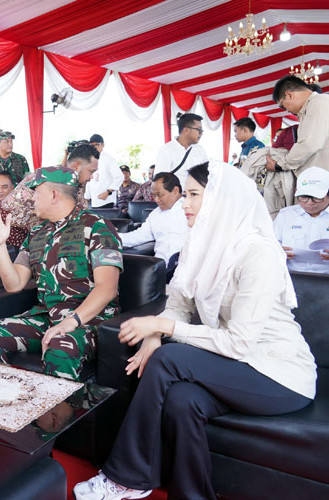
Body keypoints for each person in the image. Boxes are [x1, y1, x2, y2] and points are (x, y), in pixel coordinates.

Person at [73, 162, 316, 500]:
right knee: (182, 399)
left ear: (220, 200)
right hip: (240, 365)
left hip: (279, 374)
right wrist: (156, 334)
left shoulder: (257, 253)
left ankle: (126, 477)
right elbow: (180, 304)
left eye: (193, 195)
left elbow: (238, 342)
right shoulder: (199, 243)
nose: (184, 203)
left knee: (168, 360)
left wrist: (162, 327)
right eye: (184, 195)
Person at [0, 165, 123, 381]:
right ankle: (3, 399)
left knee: (60, 345)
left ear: (53, 194)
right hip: (47, 317)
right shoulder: (37, 233)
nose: (32, 200)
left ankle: (57, 414)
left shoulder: (97, 227)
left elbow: (107, 288)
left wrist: (70, 322)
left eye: (36, 193)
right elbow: (14, 285)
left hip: (88, 322)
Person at [0, 142, 97, 233]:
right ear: (76, 167)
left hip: (36, 231)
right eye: (91, 171)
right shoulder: (51, 180)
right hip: (14, 232)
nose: (92, 177)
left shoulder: (74, 183)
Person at [121, 173, 188, 280]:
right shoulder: (155, 214)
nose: (156, 200)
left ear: (175, 191)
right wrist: (113, 236)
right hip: (161, 271)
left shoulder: (190, 209)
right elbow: (138, 236)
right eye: (154, 195)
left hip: (186, 270)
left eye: (159, 194)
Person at [266, 76, 329, 177]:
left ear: (289, 95)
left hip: (322, 182)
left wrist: (279, 165)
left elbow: (308, 144)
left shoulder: (318, 102)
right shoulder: (312, 106)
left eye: (282, 105)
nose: (286, 110)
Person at [274, 166, 329, 273]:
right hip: (292, 278)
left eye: (316, 197)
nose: (309, 202)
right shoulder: (286, 216)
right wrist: (278, 252)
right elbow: (269, 246)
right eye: (304, 197)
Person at [155, 113, 209, 185]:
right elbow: (159, 181)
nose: (201, 134)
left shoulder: (200, 150)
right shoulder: (166, 150)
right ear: (186, 130)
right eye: (199, 130)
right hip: (175, 195)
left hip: (196, 195)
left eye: (202, 131)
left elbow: (207, 174)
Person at [88, 134, 124, 208]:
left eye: (96, 145)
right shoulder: (90, 159)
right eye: (92, 145)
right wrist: (86, 197)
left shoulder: (108, 159)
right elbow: (90, 180)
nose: (94, 147)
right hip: (93, 202)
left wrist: (108, 192)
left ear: (103, 145)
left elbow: (119, 177)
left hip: (106, 201)